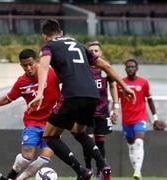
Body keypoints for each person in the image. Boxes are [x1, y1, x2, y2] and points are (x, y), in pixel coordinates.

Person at [28, 19, 136, 180]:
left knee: (49, 136)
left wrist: (39, 92)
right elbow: (105, 66)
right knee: (78, 132)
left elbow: (43, 66)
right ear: (61, 32)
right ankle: (103, 165)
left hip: (72, 94)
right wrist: (125, 86)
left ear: (45, 36)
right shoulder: (79, 44)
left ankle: (81, 171)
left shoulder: (48, 46)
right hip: (93, 95)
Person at [0, 49, 61, 180]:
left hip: (52, 123)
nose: (28, 68)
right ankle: (13, 173)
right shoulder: (21, 82)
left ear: (38, 62)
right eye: (24, 65)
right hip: (32, 122)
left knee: (44, 159)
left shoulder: (52, 73)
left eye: (30, 64)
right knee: (26, 158)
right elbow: (7, 98)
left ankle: (17, 179)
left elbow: (69, 82)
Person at [83, 41, 120, 178]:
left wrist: (116, 107)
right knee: (89, 141)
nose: (93, 53)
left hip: (103, 112)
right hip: (86, 113)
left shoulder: (105, 68)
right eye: (90, 51)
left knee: (100, 142)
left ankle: (100, 172)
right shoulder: (83, 68)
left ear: (101, 53)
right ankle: (87, 168)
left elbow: (113, 86)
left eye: (96, 50)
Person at [118, 59, 159, 180]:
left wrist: (155, 118)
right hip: (126, 120)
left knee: (139, 142)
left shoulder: (143, 82)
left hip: (140, 117)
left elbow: (150, 100)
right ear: (125, 69)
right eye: (128, 67)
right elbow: (116, 100)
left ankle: (137, 171)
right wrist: (113, 112)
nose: (130, 69)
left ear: (137, 68)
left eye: (132, 67)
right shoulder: (121, 83)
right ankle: (136, 170)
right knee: (131, 145)